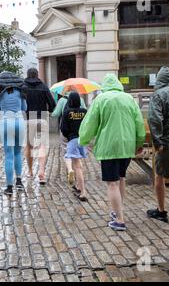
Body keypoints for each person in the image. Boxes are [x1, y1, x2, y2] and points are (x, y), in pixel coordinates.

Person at [79, 74, 145, 231]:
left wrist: (84, 140)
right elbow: (139, 122)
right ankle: (117, 213)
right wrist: (139, 143)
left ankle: (120, 220)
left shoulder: (101, 100)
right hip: (127, 146)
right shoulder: (129, 99)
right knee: (121, 179)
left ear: (105, 86)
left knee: (112, 183)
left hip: (109, 146)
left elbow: (89, 123)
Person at [147, 66, 169, 223]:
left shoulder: (158, 95)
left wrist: (158, 142)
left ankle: (161, 211)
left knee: (159, 176)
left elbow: (155, 119)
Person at [0, 71, 27, 195]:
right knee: (18, 153)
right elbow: (24, 108)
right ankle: (19, 181)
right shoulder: (19, 91)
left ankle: (9, 187)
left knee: (9, 155)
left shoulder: (0, 92)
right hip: (19, 121)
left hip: (7, 121)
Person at [24, 68, 56, 184]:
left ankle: (30, 171)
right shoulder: (43, 86)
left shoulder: (23, 87)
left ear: (27, 75)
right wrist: (49, 109)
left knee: (28, 146)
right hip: (42, 119)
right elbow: (52, 104)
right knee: (42, 145)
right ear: (37, 75)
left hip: (28, 119)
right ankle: (41, 171)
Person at [52, 88, 86, 185]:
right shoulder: (82, 105)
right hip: (79, 134)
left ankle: (70, 169)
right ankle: (78, 172)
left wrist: (50, 113)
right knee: (78, 155)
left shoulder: (62, 100)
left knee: (66, 151)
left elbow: (56, 114)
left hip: (68, 132)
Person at [61, 91, 88, 201]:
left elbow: (63, 128)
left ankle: (83, 192)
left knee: (76, 166)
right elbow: (88, 125)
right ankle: (78, 186)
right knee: (79, 165)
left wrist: (69, 136)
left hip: (72, 139)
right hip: (82, 140)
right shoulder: (84, 112)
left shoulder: (67, 112)